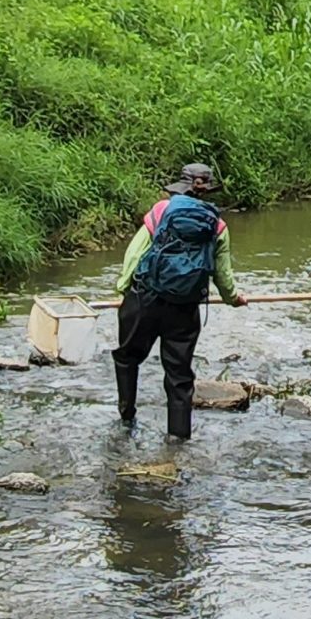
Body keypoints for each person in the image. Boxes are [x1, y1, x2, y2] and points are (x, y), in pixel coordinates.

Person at [112, 160, 247, 438]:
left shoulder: (161, 210)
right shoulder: (217, 225)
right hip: (185, 308)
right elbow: (222, 274)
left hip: (144, 299)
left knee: (127, 358)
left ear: (180, 185)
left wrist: (123, 289)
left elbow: (135, 254)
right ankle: (178, 439)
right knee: (179, 376)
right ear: (206, 190)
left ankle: (126, 419)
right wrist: (233, 299)